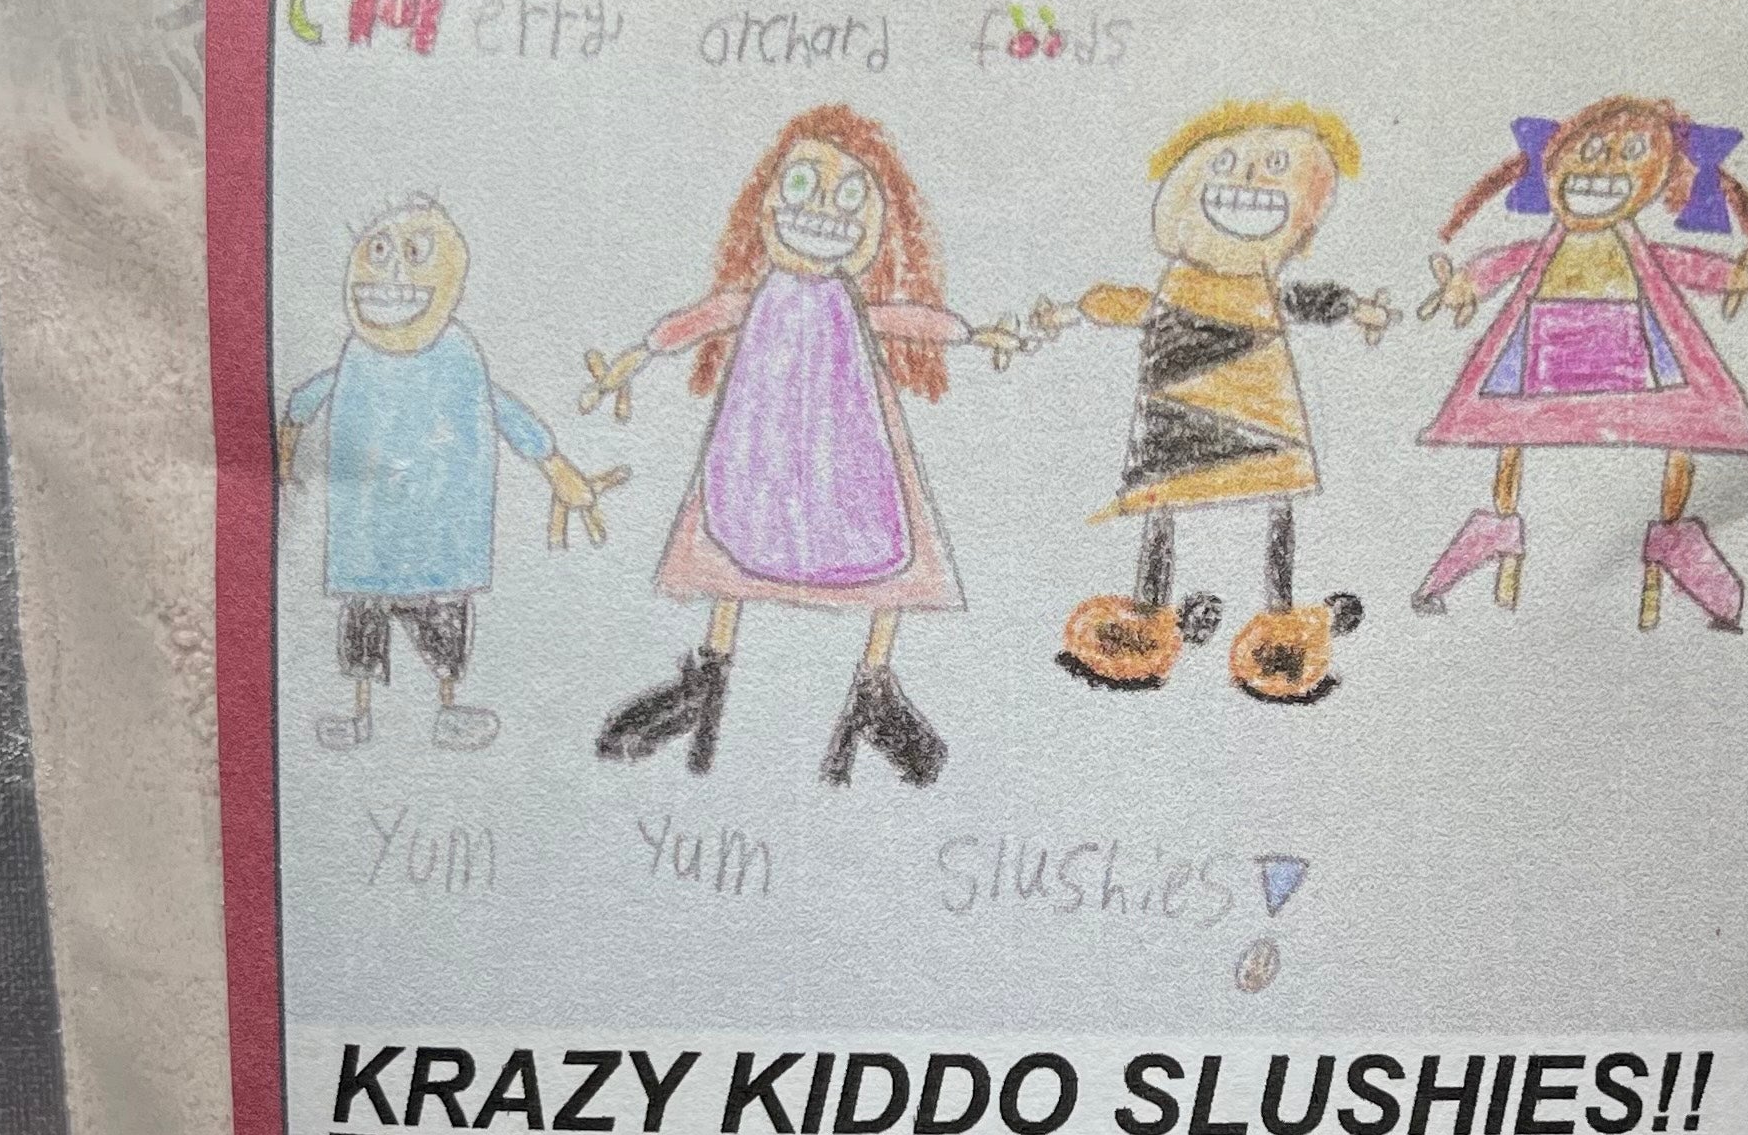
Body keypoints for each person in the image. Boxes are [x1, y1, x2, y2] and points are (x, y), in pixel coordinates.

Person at [583, 107, 1024, 788]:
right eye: (800, 186)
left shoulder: (851, 302)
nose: (821, 210)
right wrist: (634, 359)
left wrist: (971, 332)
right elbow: (703, 317)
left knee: (889, 529)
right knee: (730, 528)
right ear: (764, 200)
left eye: (849, 196)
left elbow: (901, 318)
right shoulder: (762, 294)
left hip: (849, 444)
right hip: (759, 443)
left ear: (881, 223)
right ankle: (705, 681)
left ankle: (874, 690)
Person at [1035, 100, 1394, 707]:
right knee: (1167, 510)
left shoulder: (1260, 289)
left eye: (1276, 167)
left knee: (1271, 511)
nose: (1249, 179)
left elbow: (1305, 302)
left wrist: (1357, 308)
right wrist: (1069, 312)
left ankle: (1278, 620)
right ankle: (1153, 614)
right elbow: (1128, 304)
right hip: (1178, 424)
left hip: (1262, 426)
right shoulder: (1179, 287)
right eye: (1224, 164)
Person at [1409, 99, 1748, 628]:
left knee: (1672, 442)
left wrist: (1730, 277)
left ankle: (1674, 541)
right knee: (1513, 448)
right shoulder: (1548, 248)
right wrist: (1466, 283)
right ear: (1554, 165)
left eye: (1632, 153)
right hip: (1541, 358)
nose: (1604, 167)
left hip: (1632, 365)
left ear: (1656, 179)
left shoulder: (1635, 251)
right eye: (1592, 150)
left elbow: (1678, 264)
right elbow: (1509, 261)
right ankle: (1497, 531)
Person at [279, 200, 619, 750]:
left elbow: (503, 409)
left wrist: (555, 466)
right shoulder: (356, 356)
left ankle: (448, 705)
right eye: (379, 252)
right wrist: (283, 455)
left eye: (414, 254)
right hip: (368, 536)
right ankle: (359, 713)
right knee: (363, 618)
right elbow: (302, 402)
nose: (393, 274)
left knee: (443, 621)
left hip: (441, 536)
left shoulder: (459, 356)